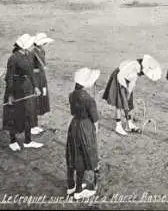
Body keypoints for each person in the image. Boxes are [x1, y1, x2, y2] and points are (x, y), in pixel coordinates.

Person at [102, 54, 161, 136]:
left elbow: (133, 80)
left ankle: (129, 124)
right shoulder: (134, 66)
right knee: (119, 103)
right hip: (119, 78)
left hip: (127, 80)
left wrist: (129, 92)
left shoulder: (139, 68)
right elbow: (120, 76)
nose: (144, 74)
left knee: (128, 102)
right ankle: (118, 126)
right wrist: (124, 89)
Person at [3, 34, 43, 151]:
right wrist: (10, 95)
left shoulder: (30, 55)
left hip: (27, 87)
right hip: (15, 88)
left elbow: (31, 73)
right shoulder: (13, 58)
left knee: (28, 113)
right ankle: (13, 140)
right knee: (13, 114)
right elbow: (9, 77)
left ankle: (28, 140)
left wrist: (35, 86)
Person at [66, 67, 100, 200]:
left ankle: (71, 186)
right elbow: (95, 120)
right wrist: (94, 132)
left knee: (72, 154)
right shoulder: (89, 99)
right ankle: (79, 190)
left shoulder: (72, 94)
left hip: (74, 125)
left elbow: (73, 112)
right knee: (82, 157)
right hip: (85, 127)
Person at [30, 33, 54, 135]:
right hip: (36, 79)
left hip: (41, 78)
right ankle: (32, 125)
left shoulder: (41, 51)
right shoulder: (33, 53)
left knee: (40, 100)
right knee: (34, 101)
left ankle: (35, 124)